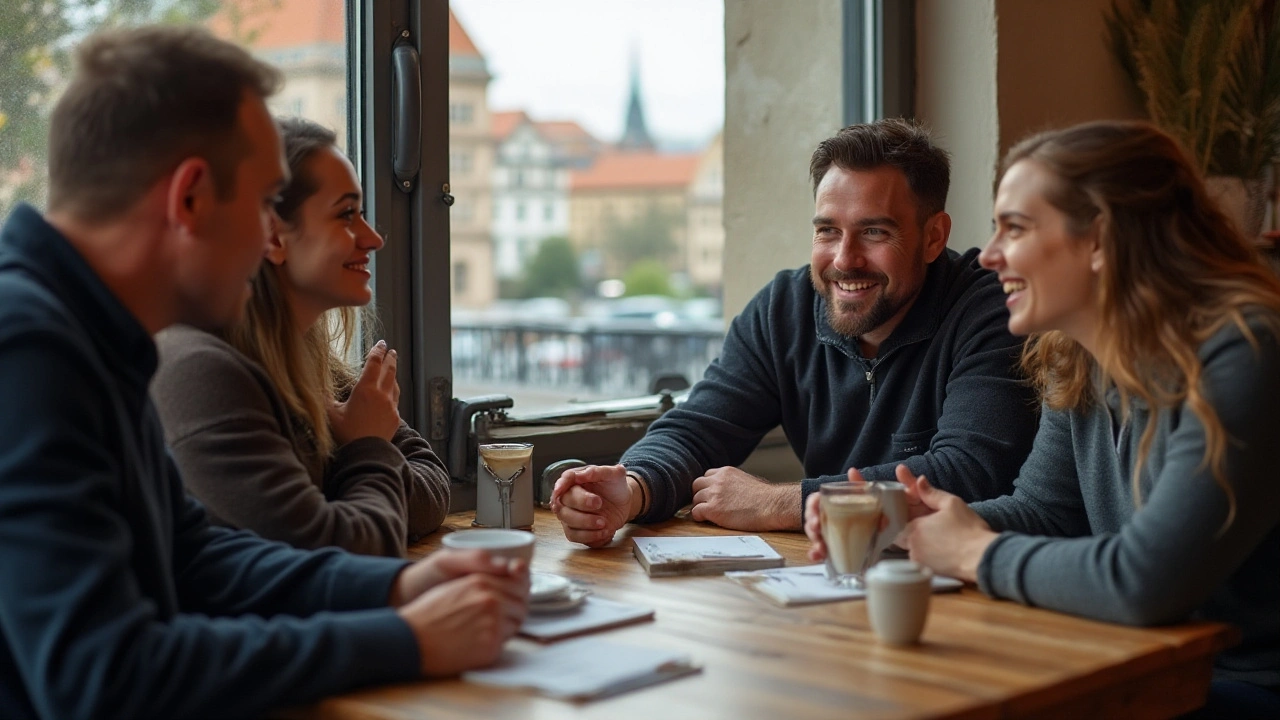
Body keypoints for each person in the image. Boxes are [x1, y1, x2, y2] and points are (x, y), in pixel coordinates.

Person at [0, 26, 527, 720]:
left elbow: (199, 557)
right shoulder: (28, 350)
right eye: (259, 204)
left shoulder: (91, 336)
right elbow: (102, 677)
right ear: (189, 198)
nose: (267, 238)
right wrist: (399, 639)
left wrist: (398, 587)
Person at [806, 120, 1280, 717]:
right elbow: (1045, 512)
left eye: (1017, 228)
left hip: (1242, 684)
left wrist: (971, 553)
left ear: (1101, 239)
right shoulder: (1076, 354)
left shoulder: (1247, 354)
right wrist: (903, 523)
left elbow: (1144, 582)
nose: (990, 254)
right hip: (1140, 658)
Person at [551, 118, 1037, 546]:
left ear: (934, 237)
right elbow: (698, 429)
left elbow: (968, 473)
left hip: (964, 590)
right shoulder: (784, 308)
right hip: (835, 577)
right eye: (827, 231)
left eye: (874, 233)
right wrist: (633, 490)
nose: (844, 260)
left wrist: (781, 503)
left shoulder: (992, 307)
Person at [152, 117, 449, 557]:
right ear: (274, 236)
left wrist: (356, 466)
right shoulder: (200, 374)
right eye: (347, 214)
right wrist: (366, 447)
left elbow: (432, 487)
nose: (372, 239)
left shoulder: (310, 355)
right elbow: (351, 548)